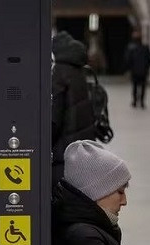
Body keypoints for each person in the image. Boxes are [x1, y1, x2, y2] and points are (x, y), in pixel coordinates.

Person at [51, 31, 95, 189]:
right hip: (81, 151)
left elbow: (53, 122)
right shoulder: (79, 71)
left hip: (63, 154)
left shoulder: (58, 74)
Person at [124, 30, 150, 109]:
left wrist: (129, 69)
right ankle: (142, 102)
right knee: (143, 87)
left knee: (135, 86)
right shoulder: (145, 48)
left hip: (134, 71)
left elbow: (128, 59)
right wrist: (147, 67)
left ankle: (134, 101)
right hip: (143, 71)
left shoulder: (131, 49)